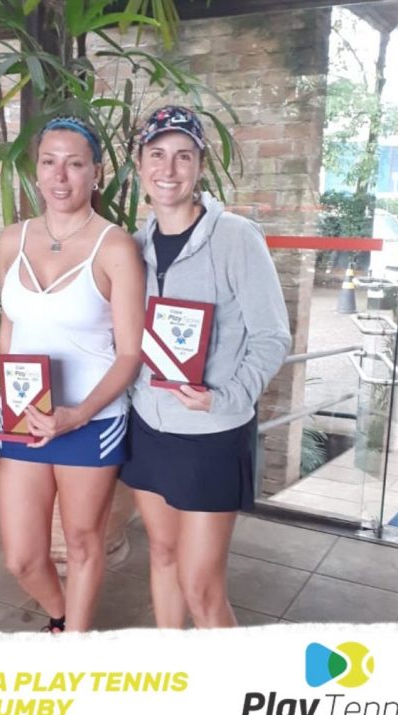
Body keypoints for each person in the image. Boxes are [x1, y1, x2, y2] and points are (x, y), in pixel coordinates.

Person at [120, 105, 291, 629]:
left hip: (211, 433)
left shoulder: (236, 237)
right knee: (162, 555)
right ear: (139, 164)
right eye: (157, 155)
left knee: (201, 587)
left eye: (183, 156)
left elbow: (272, 336)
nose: (168, 169)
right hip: (149, 427)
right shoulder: (134, 247)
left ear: (199, 165)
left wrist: (225, 397)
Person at [0, 116, 145, 633]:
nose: (60, 176)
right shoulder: (11, 241)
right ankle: (59, 615)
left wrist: (77, 415)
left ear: (96, 172)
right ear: (36, 170)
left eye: (75, 164)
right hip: (27, 419)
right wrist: (10, 404)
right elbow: (10, 325)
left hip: (92, 420)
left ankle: (73, 644)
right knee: (22, 558)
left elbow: (130, 354)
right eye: (49, 162)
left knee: (83, 543)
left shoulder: (115, 247)